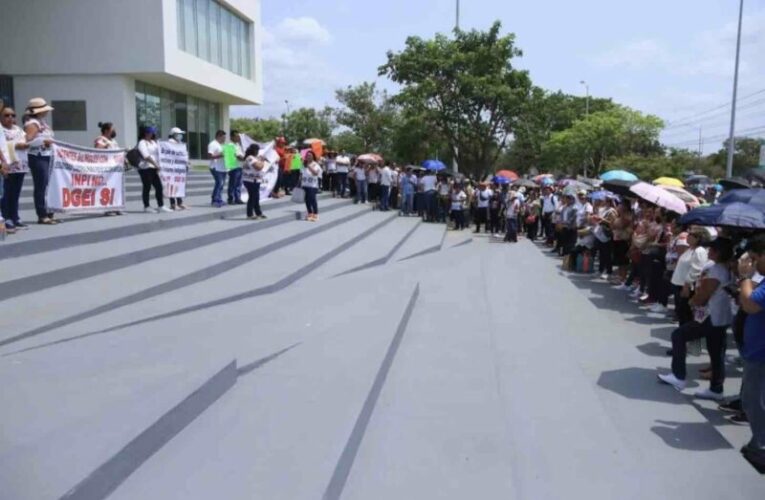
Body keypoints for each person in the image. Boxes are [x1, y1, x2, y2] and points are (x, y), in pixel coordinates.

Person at [658, 238, 735, 401]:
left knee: (678, 335)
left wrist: (693, 301)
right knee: (716, 352)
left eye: (712, 250)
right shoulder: (724, 269)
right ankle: (716, 388)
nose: (709, 252)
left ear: (719, 252)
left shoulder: (716, 271)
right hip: (720, 316)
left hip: (710, 316)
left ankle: (678, 376)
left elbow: (702, 296)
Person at [737, 234, 765, 472]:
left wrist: (745, 278)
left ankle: (761, 448)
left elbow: (750, 305)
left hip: (761, 355)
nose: (753, 263)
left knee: (756, 402)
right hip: (756, 350)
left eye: (756, 258)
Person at [24, 98, 57, 224]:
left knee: (48, 184)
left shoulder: (42, 122)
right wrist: (42, 141)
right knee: (41, 185)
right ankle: (42, 214)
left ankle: (49, 211)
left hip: (47, 155)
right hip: (38, 156)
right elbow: (28, 140)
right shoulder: (32, 123)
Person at [670, 227, 709, 326]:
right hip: (678, 284)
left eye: (690, 235)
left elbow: (696, 269)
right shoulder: (690, 249)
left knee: (685, 313)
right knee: (681, 312)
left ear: (698, 238)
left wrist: (687, 285)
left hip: (685, 286)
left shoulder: (699, 251)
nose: (688, 236)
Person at [1, 106, 28, 231]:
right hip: (7, 165)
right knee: (7, 193)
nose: (10, 118)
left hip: (20, 165)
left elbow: (25, 140)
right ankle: (6, 218)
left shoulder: (18, 129)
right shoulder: (1, 130)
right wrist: (16, 144)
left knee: (16, 194)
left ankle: (15, 216)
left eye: (13, 115)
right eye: (6, 115)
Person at [136, 125, 170, 213]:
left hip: (154, 168)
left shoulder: (153, 142)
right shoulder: (142, 143)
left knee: (159, 187)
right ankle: (146, 206)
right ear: (147, 133)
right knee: (147, 187)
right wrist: (155, 164)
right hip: (145, 168)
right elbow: (146, 156)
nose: (153, 134)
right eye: (151, 132)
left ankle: (161, 205)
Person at [93, 121, 123, 216]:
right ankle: (107, 208)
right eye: (112, 129)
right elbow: (97, 149)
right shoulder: (100, 139)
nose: (114, 131)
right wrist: (106, 145)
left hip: (115, 169)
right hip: (105, 168)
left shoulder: (113, 141)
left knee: (116, 187)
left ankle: (116, 206)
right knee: (107, 187)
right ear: (106, 130)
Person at [243, 143, 267, 220]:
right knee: (252, 197)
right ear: (254, 150)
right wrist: (262, 161)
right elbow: (258, 167)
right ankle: (249, 214)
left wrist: (260, 159)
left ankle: (258, 213)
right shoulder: (250, 158)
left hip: (255, 180)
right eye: (257, 150)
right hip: (250, 180)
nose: (258, 152)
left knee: (256, 197)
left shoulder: (254, 158)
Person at [167, 127, 188, 210]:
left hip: (180, 167)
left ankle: (179, 202)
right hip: (173, 168)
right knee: (172, 185)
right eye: (179, 134)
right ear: (174, 135)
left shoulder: (180, 143)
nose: (180, 136)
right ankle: (173, 203)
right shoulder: (170, 143)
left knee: (179, 185)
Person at [208, 130, 227, 207]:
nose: (224, 139)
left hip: (222, 168)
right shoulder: (213, 144)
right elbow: (209, 156)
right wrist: (221, 155)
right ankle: (215, 199)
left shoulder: (221, 145)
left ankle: (219, 198)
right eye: (223, 137)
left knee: (221, 184)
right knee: (219, 183)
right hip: (215, 167)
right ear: (219, 136)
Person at [301, 151, 322, 221]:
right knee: (307, 200)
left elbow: (315, 173)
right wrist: (298, 184)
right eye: (307, 155)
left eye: (310, 155)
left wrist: (309, 166)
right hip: (304, 184)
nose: (308, 156)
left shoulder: (316, 164)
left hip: (312, 185)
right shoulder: (303, 164)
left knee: (312, 200)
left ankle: (315, 214)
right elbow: (301, 174)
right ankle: (310, 213)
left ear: (313, 156)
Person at [227, 130, 244, 205]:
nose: (238, 138)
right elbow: (237, 156)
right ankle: (231, 198)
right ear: (232, 137)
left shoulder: (238, 145)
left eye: (239, 136)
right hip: (233, 167)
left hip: (239, 166)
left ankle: (238, 198)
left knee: (238, 184)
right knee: (233, 184)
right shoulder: (230, 145)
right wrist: (245, 158)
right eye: (237, 136)